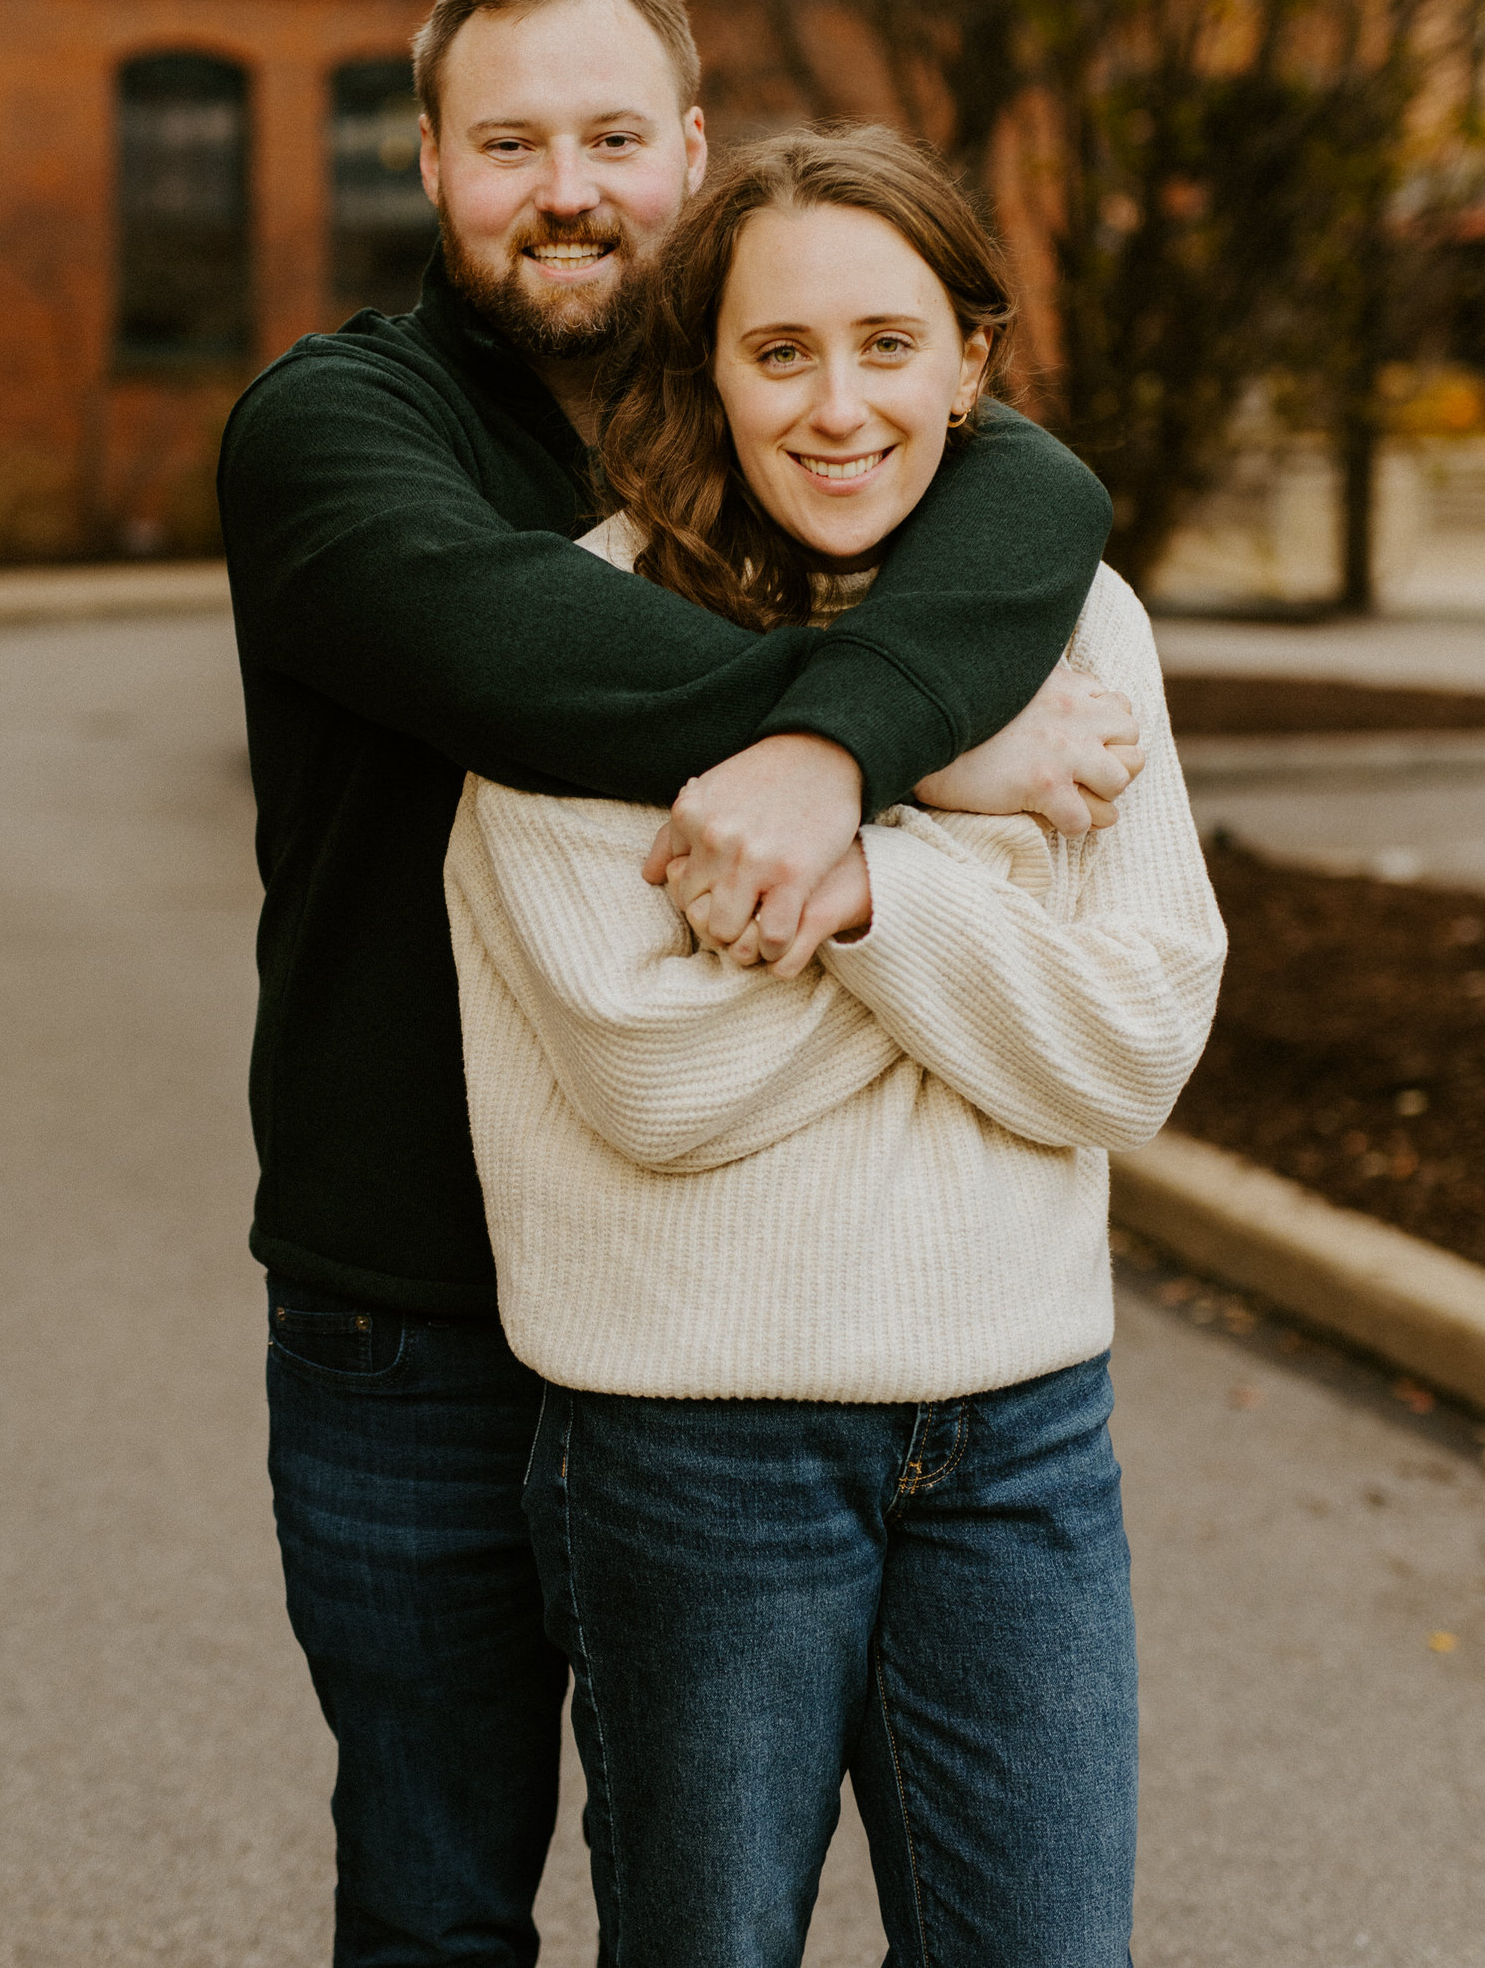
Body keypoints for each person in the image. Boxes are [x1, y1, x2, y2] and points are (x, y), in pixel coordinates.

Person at [217, 0, 1143, 1968]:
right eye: (511, 139)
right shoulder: (334, 431)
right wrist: (927, 729)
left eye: (618, 133)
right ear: (431, 161)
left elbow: (1037, 480)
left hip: (701, 1320)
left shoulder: (769, 402)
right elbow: (515, 642)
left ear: (695, 147)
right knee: (441, 1897)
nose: (571, 186)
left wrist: (851, 763)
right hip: (417, 1304)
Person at [445, 124, 1227, 1968]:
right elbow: (657, 1078)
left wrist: (865, 885)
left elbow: (1130, 1051)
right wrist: (979, 846)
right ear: (706, 372)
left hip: (1024, 1433)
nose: (836, 406)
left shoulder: (1078, 623)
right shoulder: (577, 638)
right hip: (695, 1453)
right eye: (777, 351)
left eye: (888, 344)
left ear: (972, 362)